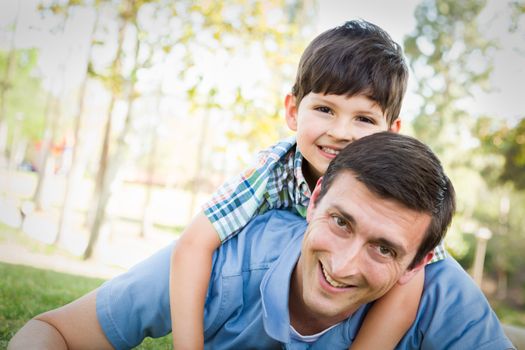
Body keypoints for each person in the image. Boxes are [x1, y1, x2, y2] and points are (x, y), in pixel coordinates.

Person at [9, 132, 515, 349]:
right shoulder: (231, 261)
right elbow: (51, 331)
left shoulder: (444, 298)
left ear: (418, 263)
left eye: (384, 248)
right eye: (340, 222)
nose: (341, 264)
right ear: (313, 199)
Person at [169, 19, 442, 349]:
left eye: (364, 119)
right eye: (325, 109)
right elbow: (194, 243)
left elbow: (405, 288)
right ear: (294, 111)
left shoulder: (400, 195)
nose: (341, 132)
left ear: (390, 132)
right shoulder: (273, 168)